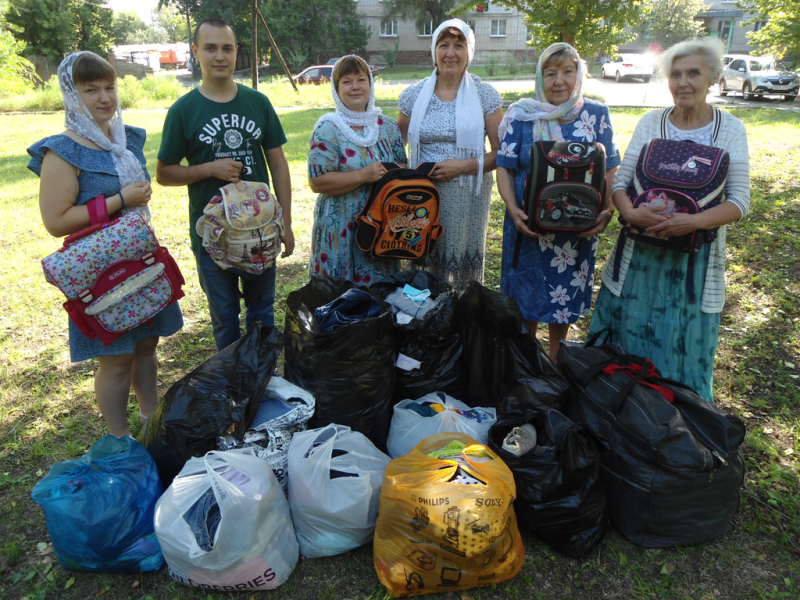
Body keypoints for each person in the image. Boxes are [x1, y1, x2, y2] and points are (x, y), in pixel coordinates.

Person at [27, 51, 183, 438]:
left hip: (138, 263)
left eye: (109, 87)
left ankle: (152, 420)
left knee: (147, 345)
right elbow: (55, 221)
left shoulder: (124, 140)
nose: (104, 97)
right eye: (90, 89)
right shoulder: (61, 151)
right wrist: (120, 200)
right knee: (116, 359)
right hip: (99, 276)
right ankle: (120, 438)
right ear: (70, 94)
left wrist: (137, 197)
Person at [589, 38, 750, 402]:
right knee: (624, 349)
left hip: (693, 267)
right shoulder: (651, 123)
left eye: (694, 73)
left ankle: (676, 431)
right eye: (675, 74)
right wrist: (628, 211)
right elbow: (622, 183)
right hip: (637, 262)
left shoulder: (730, 130)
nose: (683, 82)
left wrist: (692, 223)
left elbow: (739, 202)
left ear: (712, 77)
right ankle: (619, 421)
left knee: (681, 352)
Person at [156, 18, 293, 351]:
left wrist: (286, 222)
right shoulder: (183, 110)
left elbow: (278, 164)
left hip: (260, 231)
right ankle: (233, 388)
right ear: (196, 52)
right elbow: (164, 173)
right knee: (225, 318)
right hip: (213, 238)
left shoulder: (258, 103)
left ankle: (262, 379)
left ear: (235, 53)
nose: (220, 56)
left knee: (262, 314)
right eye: (211, 48)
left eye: (227, 48)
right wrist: (208, 169)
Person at [496, 43, 620, 364]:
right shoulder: (522, 116)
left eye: (568, 71)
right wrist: (512, 208)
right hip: (527, 229)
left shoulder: (596, 115)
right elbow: (505, 168)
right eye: (550, 73)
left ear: (579, 75)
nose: (559, 81)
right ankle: (526, 368)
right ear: (540, 77)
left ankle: (556, 365)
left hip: (575, 236)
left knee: (561, 307)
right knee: (524, 303)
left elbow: (610, 169)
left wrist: (606, 211)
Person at [397, 18, 504, 293]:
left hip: (467, 198)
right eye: (443, 45)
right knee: (422, 263)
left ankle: (458, 324)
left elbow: (502, 154)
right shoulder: (413, 95)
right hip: (420, 197)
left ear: (470, 52)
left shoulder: (485, 95)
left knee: (459, 276)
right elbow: (397, 147)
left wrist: (465, 166)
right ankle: (421, 324)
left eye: (459, 45)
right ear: (434, 50)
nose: (450, 53)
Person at [308, 55, 407, 283]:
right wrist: (364, 175)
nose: (355, 87)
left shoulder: (388, 127)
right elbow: (317, 182)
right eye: (347, 81)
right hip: (340, 225)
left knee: (380, 293)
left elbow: (404, 168)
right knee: (339, 296)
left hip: (381, 225)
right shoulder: (328, 129)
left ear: (370, 85)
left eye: (361, 80)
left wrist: (392, 171)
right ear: (336, 88)